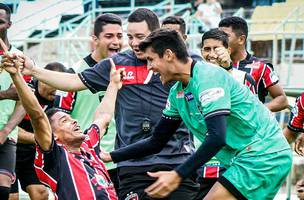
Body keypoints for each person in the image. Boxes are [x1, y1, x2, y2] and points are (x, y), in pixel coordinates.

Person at [16, 8, 199, 200]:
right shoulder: (116, 63)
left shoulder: (181, 62)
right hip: (132, 166)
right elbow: (72, 81)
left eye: (140, 37)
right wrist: (33, 70)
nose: (135, 43)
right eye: (130, 37)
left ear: (155, 34)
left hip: (177, 161)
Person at [100, 28, 292, 199]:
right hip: (249, 158)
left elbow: (217, 138)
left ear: (168, 55)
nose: (149, 67)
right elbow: (157, 140)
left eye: (151, 59)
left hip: (264, 154)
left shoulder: (208, 77)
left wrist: (178, 175)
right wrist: (110, 156)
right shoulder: (176, 93)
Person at [2, 54, 124, 200]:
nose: (74, 121)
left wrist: (113, 85)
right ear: (54, 136)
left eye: (72, 118)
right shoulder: (56, 156)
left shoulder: (89, 144)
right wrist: (16, 76)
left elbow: (103, 117)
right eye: (64, 121)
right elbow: (38, 116)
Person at [193, 28, 257, 199]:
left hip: (236, 162)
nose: (211, 54)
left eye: (216, 48)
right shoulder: (192, 80)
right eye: (207, 49)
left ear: (228, 51)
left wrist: (227, 69)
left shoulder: (244, 79)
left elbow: (253, 120)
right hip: (202, 162)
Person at [70, 13, 123, 190]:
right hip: (88, 162)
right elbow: (60, 118)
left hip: (120, 161)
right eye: (109, 36)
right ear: (95, 39)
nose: (116, 41)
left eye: (119, 36)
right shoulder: (75, 73)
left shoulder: (128, 70)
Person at [9, 62, 76, 200]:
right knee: (12, 196)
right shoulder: (25, 92)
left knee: (41, 193)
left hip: (33, 152)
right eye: (53, 87)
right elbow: (9, 128)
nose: (57, 92)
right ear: (43, 81)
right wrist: (40, 138)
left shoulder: (61, 99)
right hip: (11, 148)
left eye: (59, 88)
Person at [218, 16, 288, 112]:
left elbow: (282, 99)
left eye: (225, 36)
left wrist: (256, 112)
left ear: (241, 39)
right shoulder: (214, 66)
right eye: (218, 36)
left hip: (251, 126)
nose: (220, 40)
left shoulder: (262, 67)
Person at [0, 3, 25, 199]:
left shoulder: (19, 58)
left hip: (6, 134)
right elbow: (10, 94)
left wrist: (6, 130)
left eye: (0, 22)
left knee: (3, 187)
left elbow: (24, 101)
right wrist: (4, 94)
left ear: (9, 24)